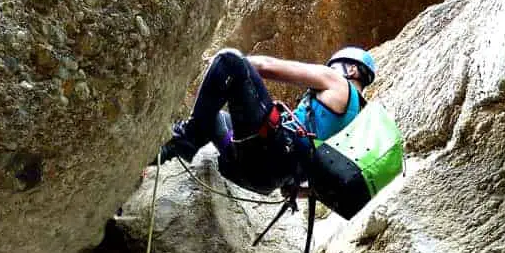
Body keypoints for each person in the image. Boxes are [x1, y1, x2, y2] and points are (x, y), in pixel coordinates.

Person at [153, 46, 376, 196]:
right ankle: (163, 154)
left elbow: (266, 65)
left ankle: (186, 141)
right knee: (214, 117)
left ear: (352, 69)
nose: (329, 70)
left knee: (228, 59)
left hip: (268, 151)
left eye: (333, 66)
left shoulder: (337, 82)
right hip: (263, 179)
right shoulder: (356, 128)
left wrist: (235, 68)